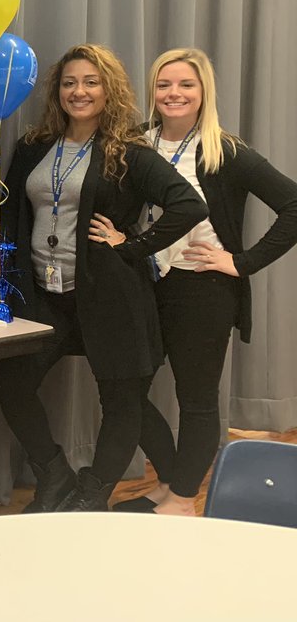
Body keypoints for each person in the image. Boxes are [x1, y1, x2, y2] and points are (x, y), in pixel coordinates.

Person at [0, 44, 207, 512]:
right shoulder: (34, 146)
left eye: (91, 82)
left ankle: (92, 495)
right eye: (70, 82)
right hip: (45, 297)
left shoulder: (126, 152)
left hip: (110, 297)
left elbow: (188, 204)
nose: (79, 91)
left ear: (109, 90)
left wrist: (131, 245)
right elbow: (12, 217)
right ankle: (53, 473)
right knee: (11, 384)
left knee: (121, 401)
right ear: (58, 91)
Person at [101, 48, 297, 515]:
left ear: (203, 91)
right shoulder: (137, 143)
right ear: (153, 91)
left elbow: (293, 205)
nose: (174, 93)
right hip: (145, 283)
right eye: (164, 84)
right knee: (123, 388)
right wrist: (121, 237)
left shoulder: (224, 150)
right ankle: (169, 480)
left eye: (186, 84)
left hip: (203, 289)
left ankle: (184, 498)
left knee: (196, 399)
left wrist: (241, 262)